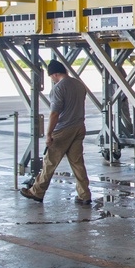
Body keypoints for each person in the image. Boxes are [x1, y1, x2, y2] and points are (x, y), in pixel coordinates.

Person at [21, 59, 93, 206]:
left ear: (54, 74)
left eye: (51, 77)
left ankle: (37, 192)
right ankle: (84, 194)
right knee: (77, 163)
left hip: (63, 130)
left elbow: (54, 113)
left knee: (50, 163)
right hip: (79, 127)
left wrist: (49, 134)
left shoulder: (59, 88)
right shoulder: (79, 84)